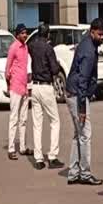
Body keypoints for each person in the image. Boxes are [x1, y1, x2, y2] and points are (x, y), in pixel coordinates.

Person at [64, 18, 103, 186]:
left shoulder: (88, 44)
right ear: (92, 32)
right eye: (99, 34)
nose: (101, 37)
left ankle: (74, 172)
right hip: (76, 95)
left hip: (74, 93)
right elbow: (83, 81)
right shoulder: (89, 51)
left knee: (78, 135)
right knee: (85, 135)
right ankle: (85, 173)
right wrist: (82, 108)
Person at [28, 23, 64, 170]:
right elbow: (55, 70)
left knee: (37, 124)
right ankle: (52, 156)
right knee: (55, 121)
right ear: (48, 34)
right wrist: (57, 64)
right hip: (46, 87)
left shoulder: (33, 46)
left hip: (34, 87)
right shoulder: (49, 48)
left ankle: (38, 159)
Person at [5, 23, 32, 161]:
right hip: (15, 87)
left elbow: (26, 68)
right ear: (17, 35)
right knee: (14, 118)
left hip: (24, 87)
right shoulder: (14, 47)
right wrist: (9, 85)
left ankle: (22, 146)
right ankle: (11, 148)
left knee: (24, 119)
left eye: (26, 33)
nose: (25, 35)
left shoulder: (26, 47)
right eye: (22, 33)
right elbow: (7, 69)